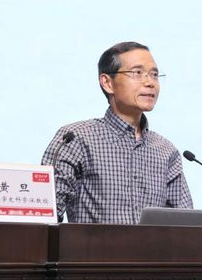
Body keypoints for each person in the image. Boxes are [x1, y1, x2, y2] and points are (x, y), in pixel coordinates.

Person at [41, 41, 193, 223]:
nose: (150, 83)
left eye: (154, 75)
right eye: (137, 73)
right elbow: (45, 216)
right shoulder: (76, 139)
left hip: (152, 244)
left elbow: (186, 226)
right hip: (91, 243)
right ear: (107, 83)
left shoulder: (166, 151)